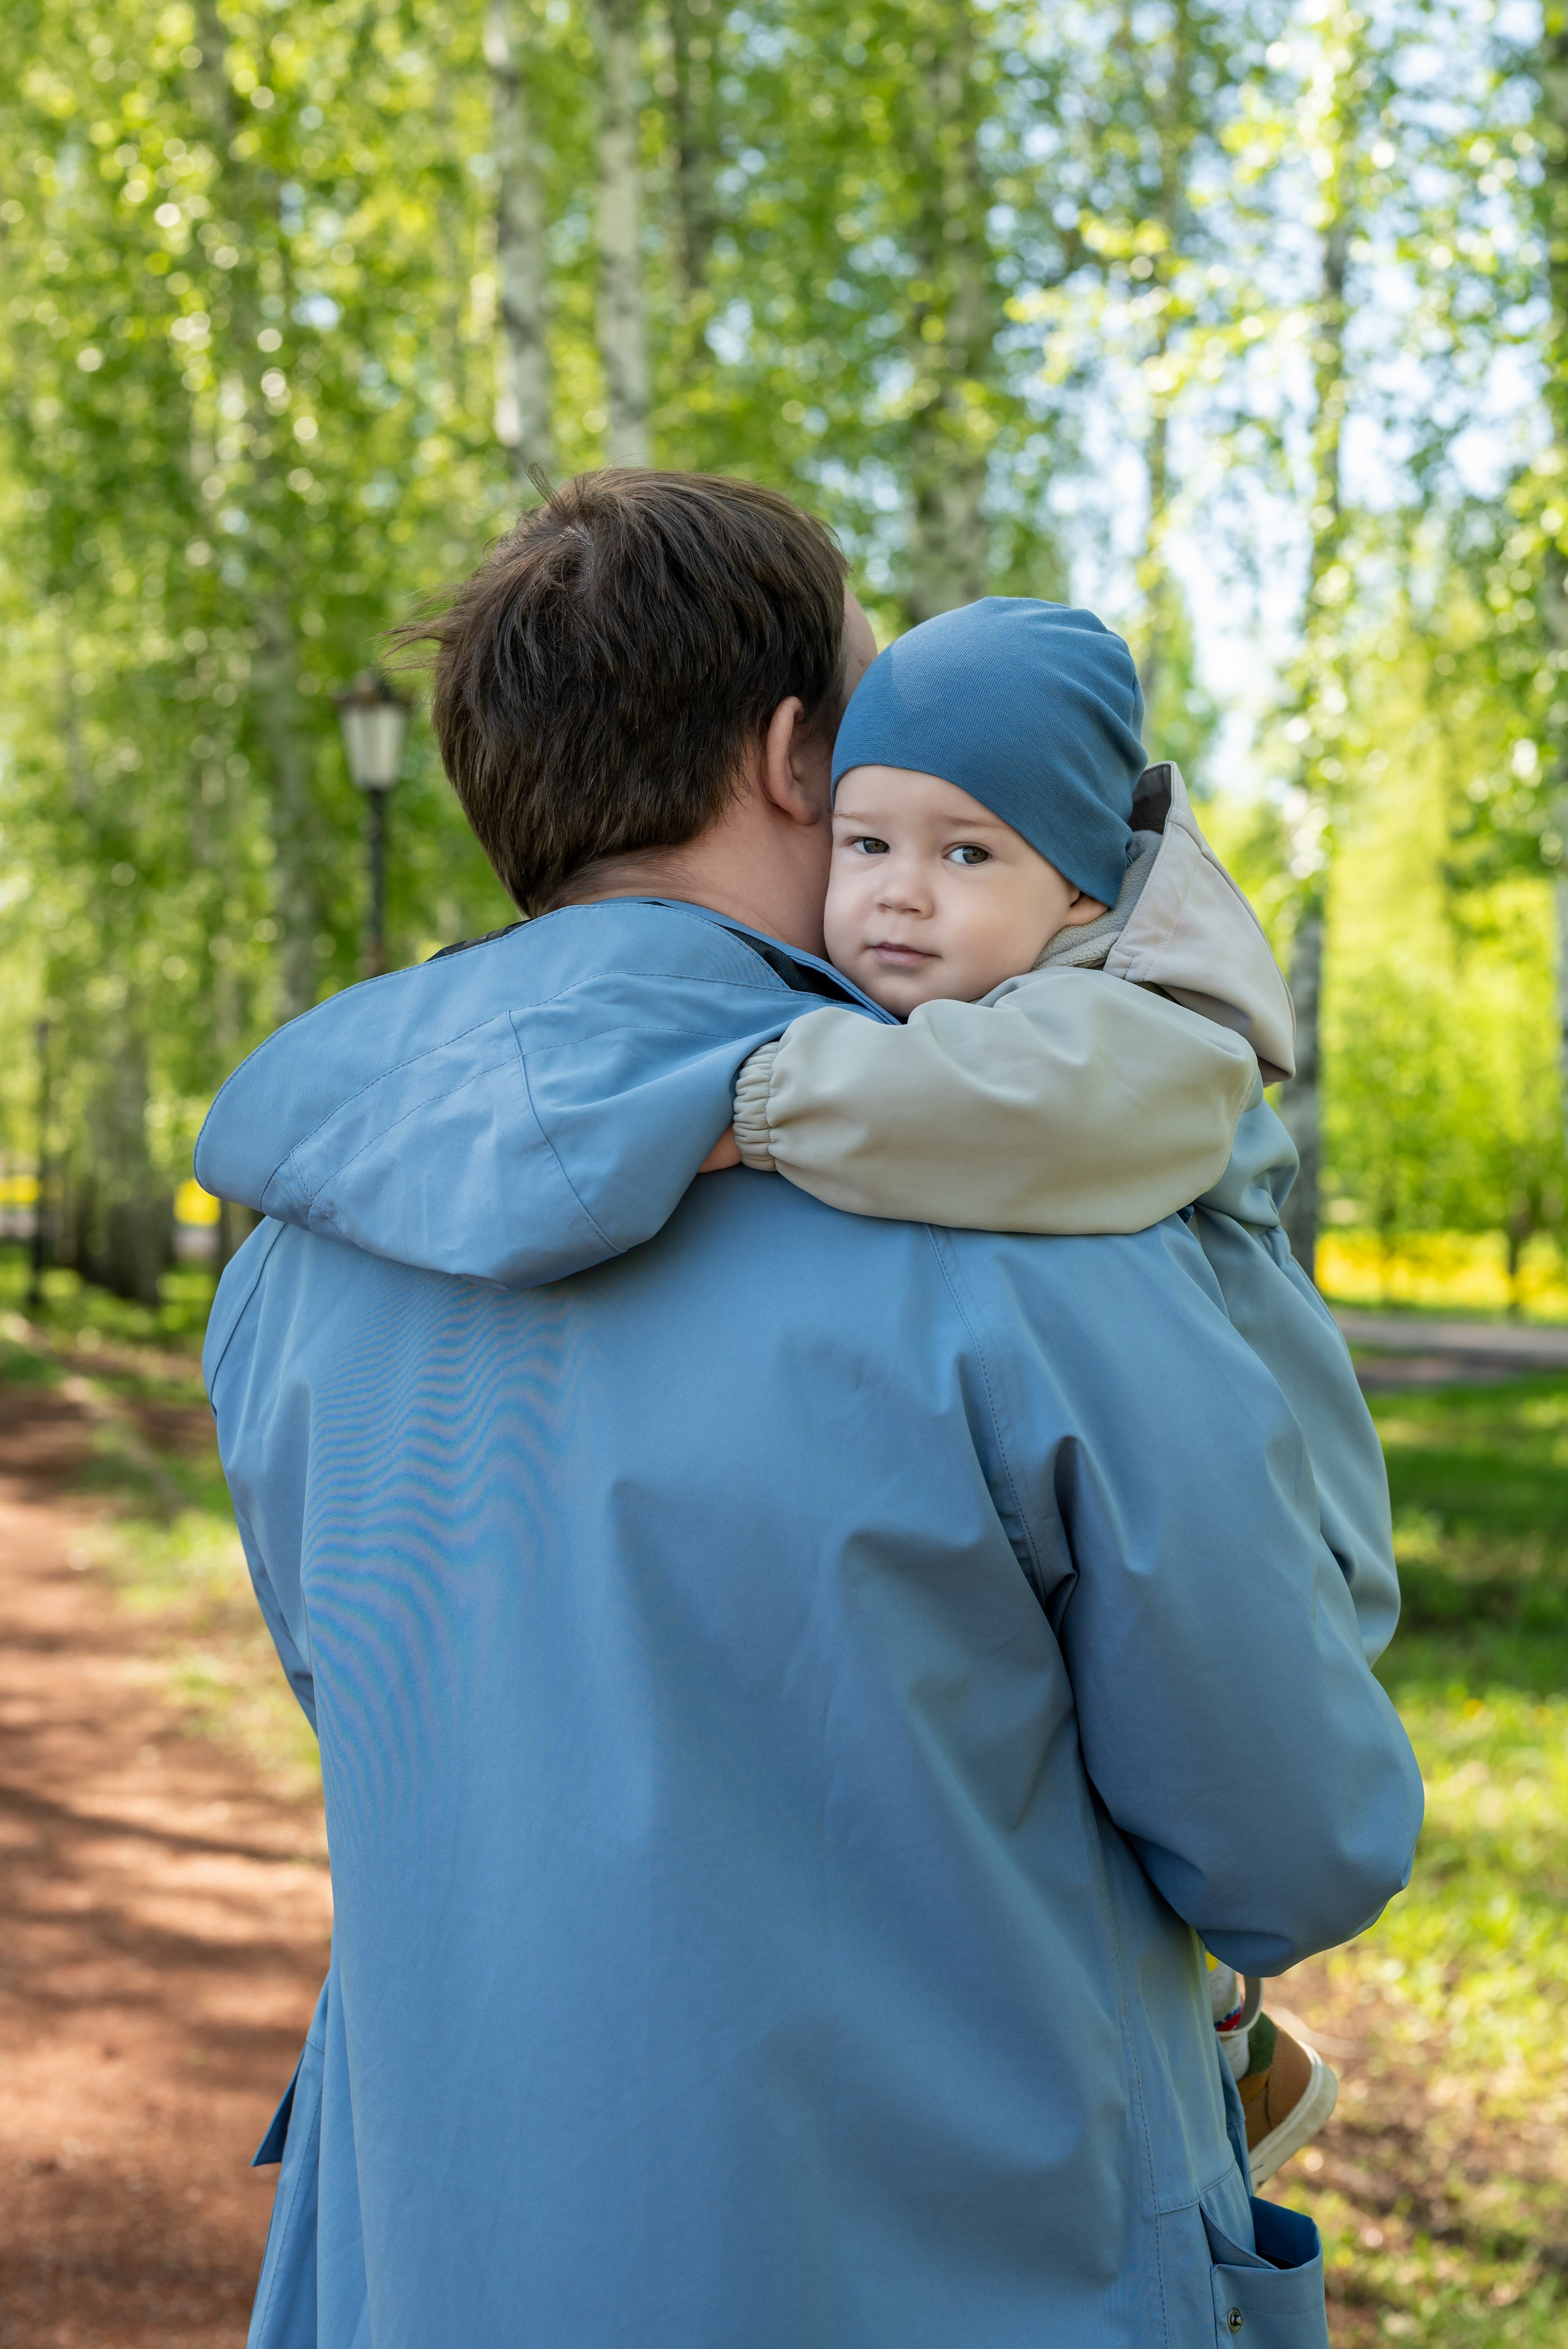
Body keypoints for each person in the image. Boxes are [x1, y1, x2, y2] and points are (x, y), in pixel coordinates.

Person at [197, 469, 1423, 2349]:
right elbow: (1295, 1837)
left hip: (434, 2271)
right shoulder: (1018, 1211)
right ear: (792, 757)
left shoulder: (301, 1242)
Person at [715, 595, 1397, 2183]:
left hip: (1287, 1526)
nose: (899, 896)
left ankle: (1227, 2041)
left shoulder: (1141, 1038)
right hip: (1173, 1499)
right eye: (868, 842)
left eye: (970, 855)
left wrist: (737, 1098)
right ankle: (1230, 2040)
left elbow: (991, 1117)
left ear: (1085, 888)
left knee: (1186, 1781)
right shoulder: (995, 1004)